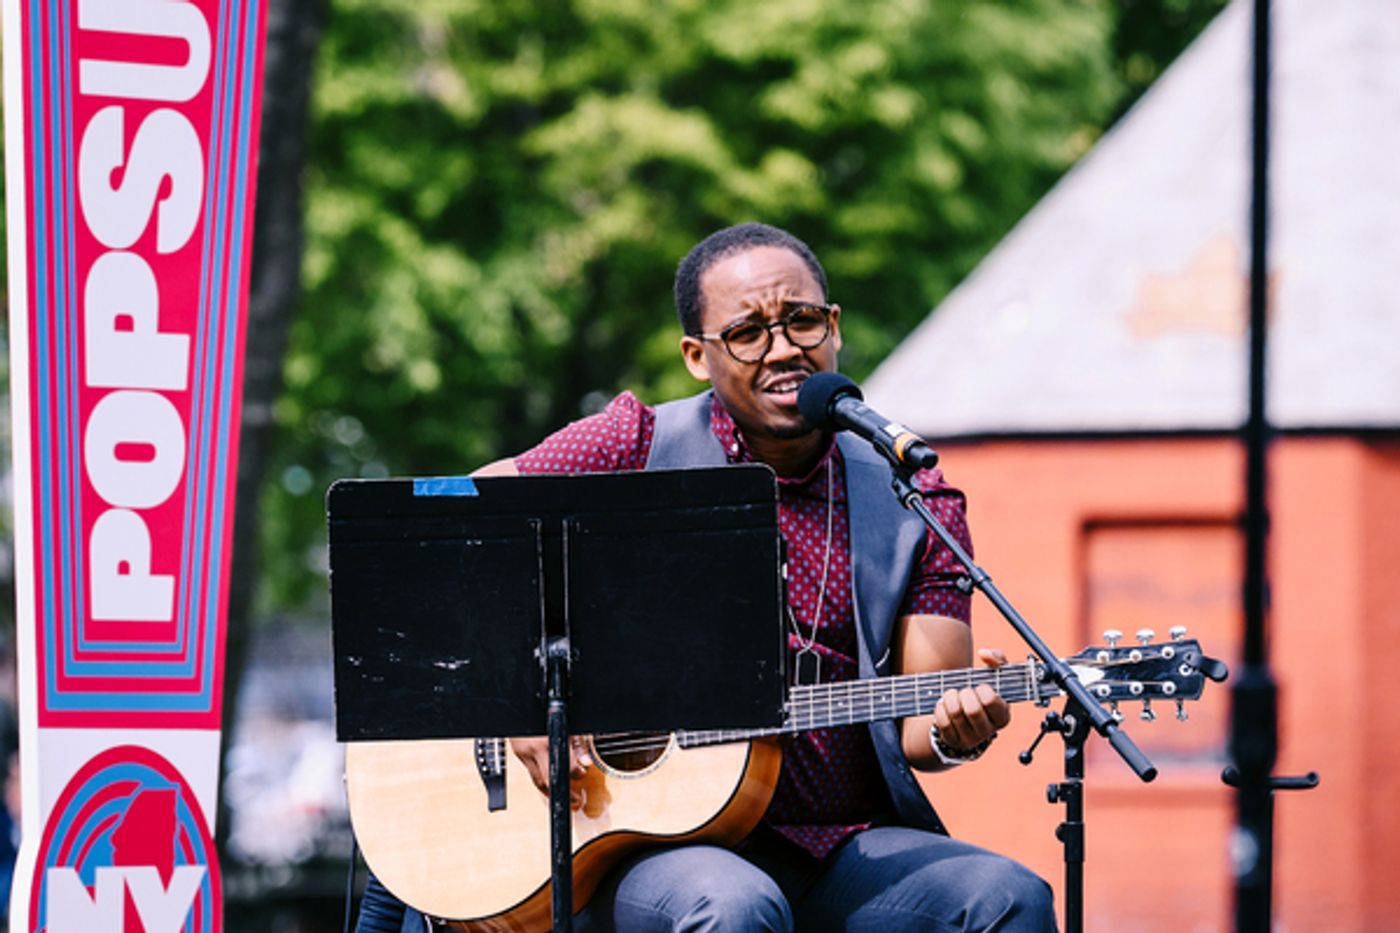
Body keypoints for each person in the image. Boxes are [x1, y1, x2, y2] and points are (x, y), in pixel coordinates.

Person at [355, 223, 1055, 932]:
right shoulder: (634, 443)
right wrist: (509, 691)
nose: (783, 348)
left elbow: (916, 730)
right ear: (696, 355)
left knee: (1007, 896)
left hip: (837, 845)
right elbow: (445, 523)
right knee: (734, 905)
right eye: (747, 331)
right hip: (654, 847)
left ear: (833, 328)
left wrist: (955, 731)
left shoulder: (912, 497)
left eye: (802, 320)